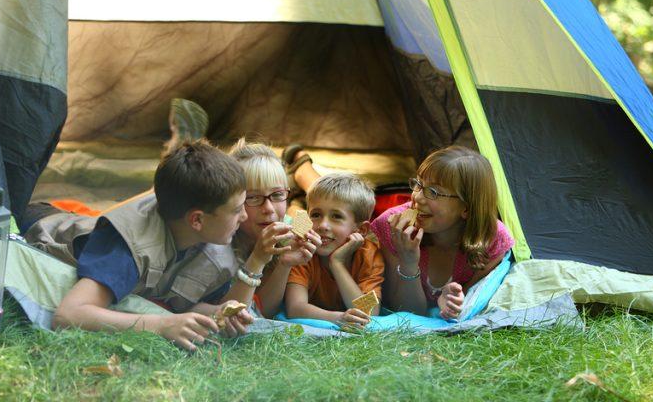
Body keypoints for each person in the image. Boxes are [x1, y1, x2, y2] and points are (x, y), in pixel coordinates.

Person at [25, 140, 253, 350]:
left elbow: (177, 304)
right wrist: (161, 326)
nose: (244, 216)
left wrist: (216, 313)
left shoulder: (207, 240)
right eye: (236, 210)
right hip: (37, 221)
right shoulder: (128, 247)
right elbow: (69, 315)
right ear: (197, 220)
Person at [371, 146, 514, 319]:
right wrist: (408, 262)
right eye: (418, 184)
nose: (417, 198)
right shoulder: (392, 226)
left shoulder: (492, 238)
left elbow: (465, 305)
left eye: (433, 192)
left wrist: (454, 302)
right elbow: (405, 313)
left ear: (467, 208)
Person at [219, 140, 322, 317]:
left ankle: (301, 168)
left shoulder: (290, 235)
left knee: (324, 200)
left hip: (293, 214)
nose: (268, 208)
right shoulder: (218, 242)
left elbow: (264, 310)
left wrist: (284, 264)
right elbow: (246, 313)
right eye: (253, 197)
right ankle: (298, 179)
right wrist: (258, 259)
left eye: (277, 194)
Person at [284, 172, 384, 328]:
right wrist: (336, 318)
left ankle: (297, 203)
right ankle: (295, 205)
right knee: (294, 220)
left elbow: (369, 311)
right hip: (294, 226)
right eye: (316, 215)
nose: (323, 225)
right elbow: (294, 307)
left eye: (336, 216)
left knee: (296, 218)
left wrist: (337, 263)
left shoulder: (369, 254)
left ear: (361, 229)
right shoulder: (303, 249)